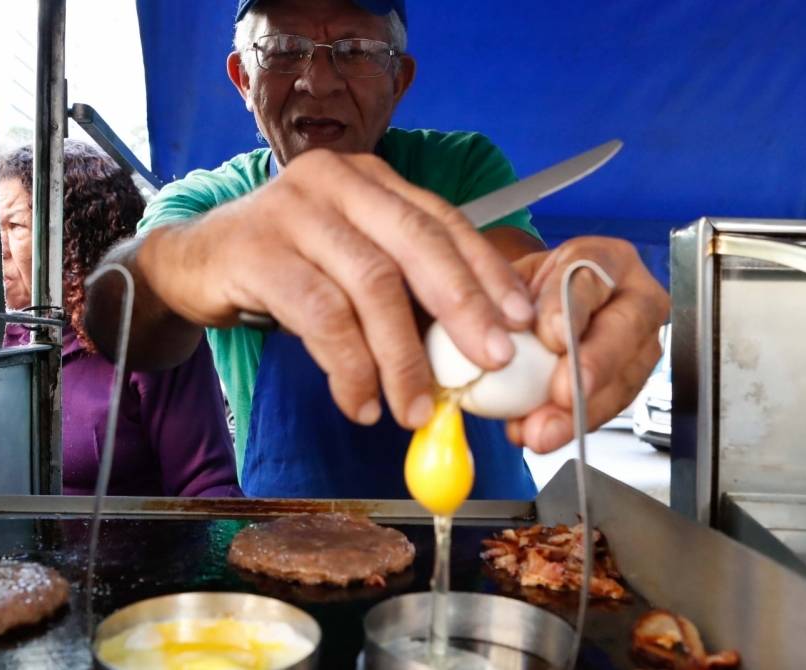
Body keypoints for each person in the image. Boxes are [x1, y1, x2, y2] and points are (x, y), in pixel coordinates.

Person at [84, 0, 668, 499]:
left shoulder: (459, 168)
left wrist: (566, 291)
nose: (319, 80)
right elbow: (120, 312)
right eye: (284, 49)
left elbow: (517, 274)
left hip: (486, 534)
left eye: (357, 51)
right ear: (242, 78)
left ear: (400, 81)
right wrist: (197, 260)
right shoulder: (208, 201)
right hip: (286, 541)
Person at [0, 140, 240, 497]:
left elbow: (205, 486)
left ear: (73, 235)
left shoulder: (148, 338)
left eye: (15, 226)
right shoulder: (3, 339)